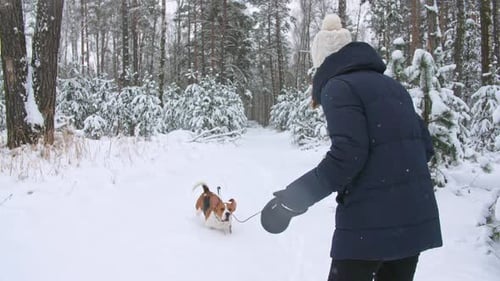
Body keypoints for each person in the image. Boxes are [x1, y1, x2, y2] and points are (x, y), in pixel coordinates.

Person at [260, 14, 442, 281]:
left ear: (321, 60)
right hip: (414, 220)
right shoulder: (393, 86)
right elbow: (424, 147)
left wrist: (292, 200)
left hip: (368, 226)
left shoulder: (338, 87)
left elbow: (347, 157)